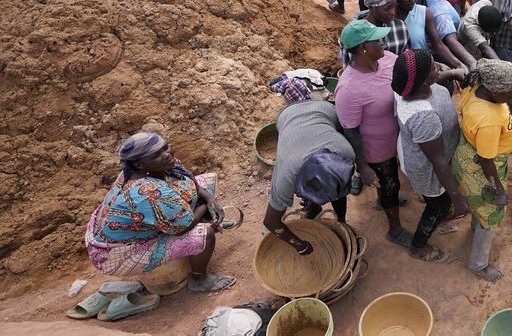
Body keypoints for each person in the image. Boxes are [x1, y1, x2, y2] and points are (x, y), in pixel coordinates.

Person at [85, 132, 235, 292]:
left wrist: (209, 198)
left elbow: (192, 183)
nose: (167, 154)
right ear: (140, 165)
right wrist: (207, 205)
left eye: (165, 147)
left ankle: (208, 218)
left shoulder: (159, 167)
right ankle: (199, 280)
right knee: (205, 234)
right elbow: (184, 227)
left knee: (203, 184)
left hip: (130, 229)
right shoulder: (146, 192)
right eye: (156, 154)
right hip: (116, 254)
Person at [262, 80, 365, 254]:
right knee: (323, 187)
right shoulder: (285, 176)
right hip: (292, 138)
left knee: (335, 186)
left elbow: (338, 182)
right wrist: (300, 246)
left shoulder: (344, 152)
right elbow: (271, 222)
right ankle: (312, 205)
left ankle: (341, 221)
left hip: (318, 130)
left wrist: (341, 222)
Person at [337, 19, 413, 246]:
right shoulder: (349, 88)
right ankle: (395, 230)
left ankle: (383, 199)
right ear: (362, 48)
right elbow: (350, 131)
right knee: (390, 183)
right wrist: (362, 166)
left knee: (391, 181)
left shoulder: (389, 60)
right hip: (376, 150)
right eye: (376, 40)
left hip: (396, 138)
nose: (383, 42)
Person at [391, 49, 470, 262]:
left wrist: (453, 73)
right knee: (438, 205)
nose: (440, 68)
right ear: (425, 80)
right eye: (435, 68)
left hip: (422, 153)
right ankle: (418, 245)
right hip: (428, 168)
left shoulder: (407, 87)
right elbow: (438, 161)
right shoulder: (423, 116)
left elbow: (438, 78)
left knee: (436, 198)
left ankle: (435, 202)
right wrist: (457, 197)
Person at [453, 59, 512, 282]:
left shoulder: (474, 86)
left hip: (466, 156)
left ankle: (476, 224)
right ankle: (478, 264)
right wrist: (499, 190)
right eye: (510, 94)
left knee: (479, 206)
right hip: (481, 167)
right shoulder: (490, 120)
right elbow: (486, 161)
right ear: (495, 90)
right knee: (492, 213)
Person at [395, 0, 470, 68]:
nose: (413, 0)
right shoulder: (387, 17)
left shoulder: (424, 13)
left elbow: (439, 45)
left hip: (422, 68)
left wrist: (459, 65)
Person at [339, 0, 409, 70]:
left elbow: (406, 59)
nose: (393, 12)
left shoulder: (400, 27)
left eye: (394, 6)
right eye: (387, 8)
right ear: (371, 7)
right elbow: (348, 68)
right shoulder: (353, 34)